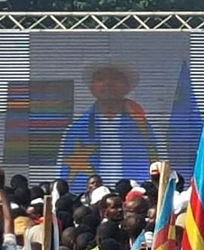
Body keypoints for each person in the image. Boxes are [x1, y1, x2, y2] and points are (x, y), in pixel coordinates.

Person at [57, 64, 158, 192]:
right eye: (101, 79)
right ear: (91, 88)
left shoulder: (146, 130)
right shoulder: (74, 132)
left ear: (127, 87)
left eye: (115, 78)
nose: (108, 83)